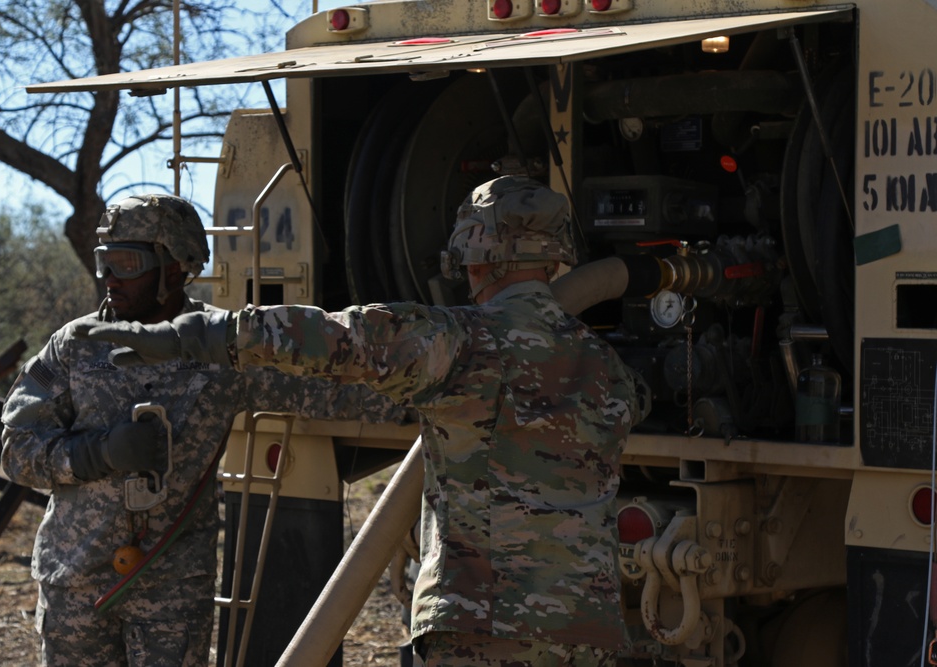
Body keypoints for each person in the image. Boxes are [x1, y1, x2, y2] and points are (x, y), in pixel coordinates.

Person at [76, 176, 652, 666]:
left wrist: (187, 336)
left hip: (484, 623)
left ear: (477, 257)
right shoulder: (607, 367)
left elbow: (330, 338)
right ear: (555, 257)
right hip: (588, 628)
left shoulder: (458, 341)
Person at [1, 193, 407, 667]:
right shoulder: (75, 346)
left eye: (127, 263)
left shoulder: (220, 349)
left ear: (175, 267)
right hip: (76, 583)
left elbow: (331, 394)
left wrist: (431, 395)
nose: (110, 277)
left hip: (170, 594)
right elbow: (17, 450)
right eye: (103, 262)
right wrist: (98, 454)